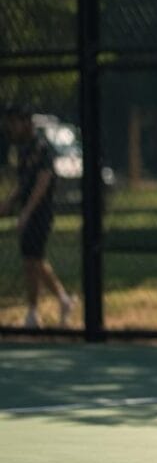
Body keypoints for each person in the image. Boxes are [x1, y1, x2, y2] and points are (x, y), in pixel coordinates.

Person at [0, 104, 76, 328]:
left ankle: (33, 312)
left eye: (15, 122)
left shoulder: (42, 148)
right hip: (28, 210)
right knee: (35, 260)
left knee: (30, 261)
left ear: (27, 122)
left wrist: (26, 212)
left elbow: (42, 183)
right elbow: (23, 184)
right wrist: (9, 202)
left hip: (40, 212)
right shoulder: (22, 150)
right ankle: (63, 300)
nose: (11, 127)